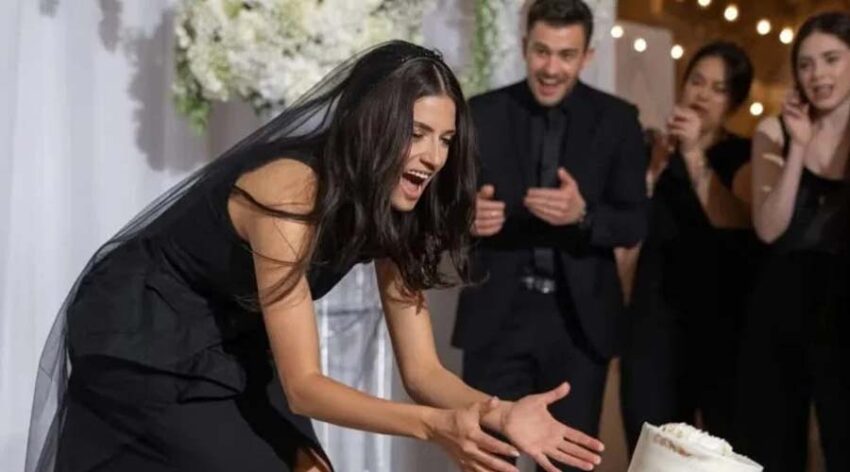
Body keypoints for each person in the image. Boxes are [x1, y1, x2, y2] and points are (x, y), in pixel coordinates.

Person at [24, 41, 605, 472]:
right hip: (145, 330)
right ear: (372, 124)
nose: (433, 156)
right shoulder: (290, 193)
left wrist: (498, 411)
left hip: (234, 337)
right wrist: (437, 427)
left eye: (445, 139)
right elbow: (304, 385)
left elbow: (423, 372)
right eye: (416, 132)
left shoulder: (399, 206)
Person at [451, 2, 646, 470]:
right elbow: (439, 208)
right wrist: (464, 217)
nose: (551, 68)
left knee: (568, 464)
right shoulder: (481, 113)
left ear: (587, 56)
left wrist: (584, 215)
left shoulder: (619, 119)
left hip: (579, 327)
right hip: (497, 316)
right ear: (524, 47)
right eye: (542, 51)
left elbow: (635, 223)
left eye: (566, 54)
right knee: (485, 460)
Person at [618, 41, 760, 452]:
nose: (702, 94)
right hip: (653, 324)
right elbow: (628, 232)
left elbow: (734, 220)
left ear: (733, 103)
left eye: (718, 89)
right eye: (697, 81)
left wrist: (695, 152)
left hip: (722, 328)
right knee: (652, 449)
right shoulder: (652, 150)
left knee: (721, 452)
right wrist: (655, 166)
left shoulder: (742, 153)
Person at [738, 11, 850, 471]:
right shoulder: (774, 131)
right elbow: (769, 228)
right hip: (782, 307)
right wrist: (799, 147)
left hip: (843, 312)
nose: (817, 74)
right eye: (806, 64)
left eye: (831, 59)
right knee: (776, 448)